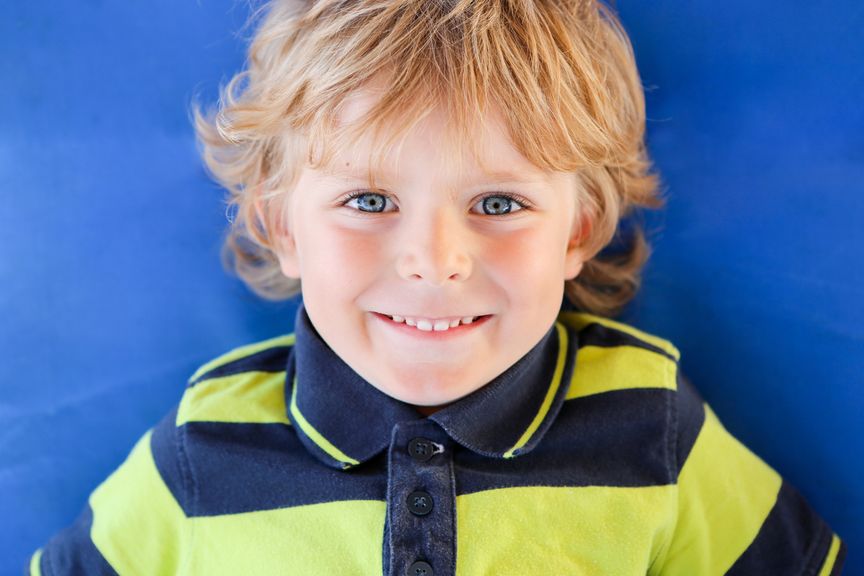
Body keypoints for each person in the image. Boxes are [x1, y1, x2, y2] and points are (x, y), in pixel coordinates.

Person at [28, 0, 845, 574]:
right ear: (282, 225)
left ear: (577, 231)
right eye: (369, 201)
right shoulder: (206, 445)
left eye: (498, 203)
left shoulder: (653, 421)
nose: (433, 260)